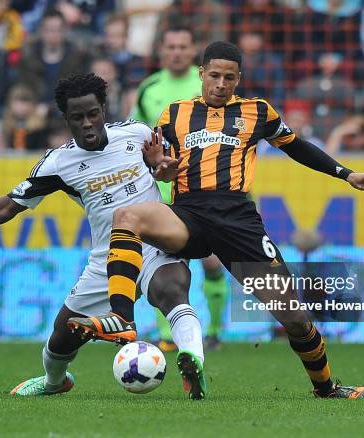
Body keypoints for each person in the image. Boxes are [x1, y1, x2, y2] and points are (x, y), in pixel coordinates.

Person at [69, 42, 364, 399]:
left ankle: (325, 387)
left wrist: (346, 173)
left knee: (293, 317)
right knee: (126, 216)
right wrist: (162, 167)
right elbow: (162, 169)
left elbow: (297, 146)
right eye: (214, 75)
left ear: (238, 79)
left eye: (229, 77)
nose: (220, 83)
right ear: (201, 74)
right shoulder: (174, 114)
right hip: (188, 214)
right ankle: (122, 318)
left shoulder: (258, 112)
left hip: (238, 222)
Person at [0, 73, 208, 400]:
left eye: (93, 114)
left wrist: (162, 167)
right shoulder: (58, 163)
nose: (87, 123)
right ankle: (54, 381)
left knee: (171, 290)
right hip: (107, 259)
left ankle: (193, 361)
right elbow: (7, 207)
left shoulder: (137, 134)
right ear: (66, 119)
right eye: (78, 118)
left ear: (103, 109)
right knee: (63, 335)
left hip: (153, 245)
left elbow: (175, 166)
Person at [132, 25, 230, 352]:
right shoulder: (149, 89)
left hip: (207, 191)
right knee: (165, 264)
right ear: (162, 50)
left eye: (182, 46)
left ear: (193, 52)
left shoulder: (208, 83)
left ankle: (215, 331)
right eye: (170, 46)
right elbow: (139, 139)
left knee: (213, 262)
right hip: (162, 194)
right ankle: (169, 337)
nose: (176, 52)